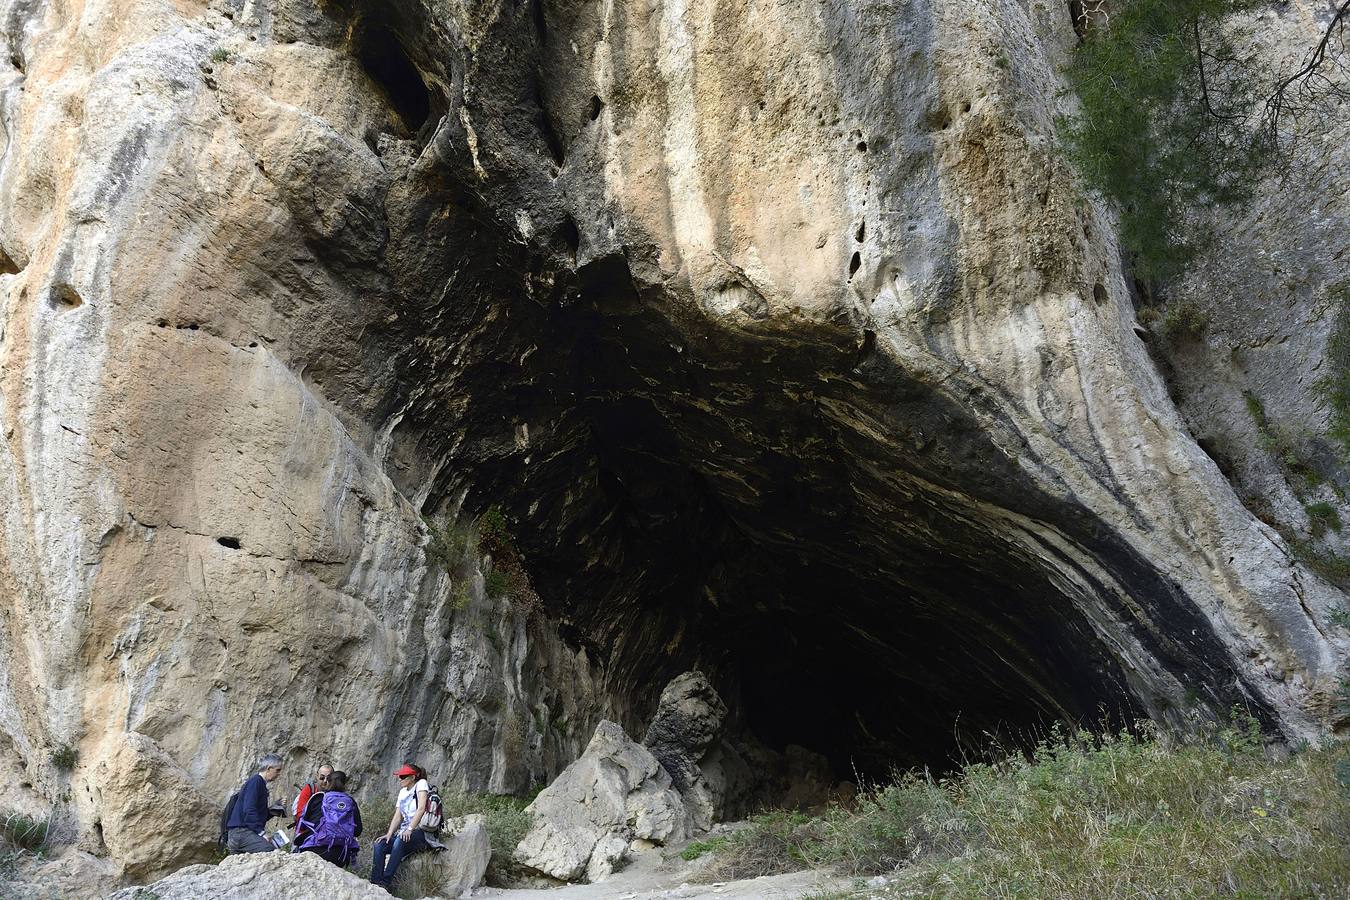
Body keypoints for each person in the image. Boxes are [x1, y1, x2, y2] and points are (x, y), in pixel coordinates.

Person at [369, 763, 439, 889]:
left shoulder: (421, 784)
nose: (400, 779)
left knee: (400, 840)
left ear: (413, 777)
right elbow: (398, 816)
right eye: (399, 776)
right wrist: (389, 834)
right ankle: (375, 883)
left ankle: (385, 882)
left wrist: (410, 829)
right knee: (380, 844)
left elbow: (421, 808)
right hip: (405, 835)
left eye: (403, 776)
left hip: (422, 833)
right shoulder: (402, 792)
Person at [294, 770, 362, 867]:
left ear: (328, 782)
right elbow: (358, 831)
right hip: (340, 854)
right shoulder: (350, 802)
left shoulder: (318, 798)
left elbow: (302, 825)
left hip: (315, 850)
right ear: (345, 784)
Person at [225, 753, 285, 854]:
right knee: (271, 852)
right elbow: (249, 810)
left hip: (239, 835)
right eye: (277, 770)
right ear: (269, 768)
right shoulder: (256, 782)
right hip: (242, 833)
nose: (279, 774)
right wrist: (262, 833)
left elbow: (255, 813)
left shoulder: (259, 783)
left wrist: (274, 809)